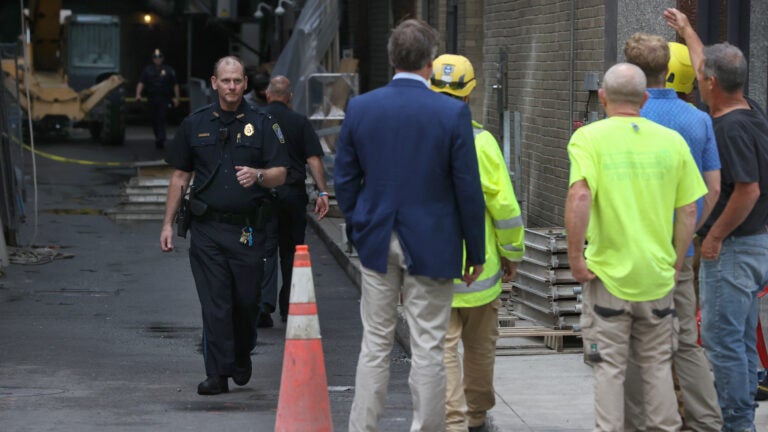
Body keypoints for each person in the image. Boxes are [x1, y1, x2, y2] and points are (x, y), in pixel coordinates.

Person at [334, 19, 486, 432]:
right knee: (429, 347)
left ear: (391, 58)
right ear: (430, 63)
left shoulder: (361, 108)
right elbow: (467, 188)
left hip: (377, 237)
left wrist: (358, 223)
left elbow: (344, 178)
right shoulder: (451, 112)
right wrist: (476, 250)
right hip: (434, 241)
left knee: (376, 343)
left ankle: (362, 428)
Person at [565, 62, 706, 431]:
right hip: (657, 278)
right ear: (644, 99)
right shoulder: (671, 142)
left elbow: (580, 196)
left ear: (602, 97)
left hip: (608, 277)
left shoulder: (588, 138)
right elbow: (688, 208)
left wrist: (576, 259)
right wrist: (676, 263)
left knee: (609, 368)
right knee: (658, 366)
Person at [159, 55, 288, 396]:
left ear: (246, 84)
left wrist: (259, 175)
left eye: (237, 81)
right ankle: (217, 374)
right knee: (215, 303)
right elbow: (179, 176)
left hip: (247, 231)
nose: (231, 87)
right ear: (214, 83)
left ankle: (241, 353)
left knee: (246, 303)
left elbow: (281, 172)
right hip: (207, 230)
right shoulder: (195, 123)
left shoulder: (263, 123)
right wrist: (167, 224)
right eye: (225, 81)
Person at [666, 8, 768, 431]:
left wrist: (713, 238)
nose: (700, 78)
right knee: (741, 339)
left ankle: (736, 423)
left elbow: (748, 190)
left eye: (703, 74)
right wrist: (689, 31)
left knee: (724, 345)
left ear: (710, 83)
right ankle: (741, 415)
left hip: (731, 250)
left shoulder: (729, 130)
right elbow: (706, 63)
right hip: (753, 245)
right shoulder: (750, 108)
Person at [622, 32, 723, 431]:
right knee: (685, 342)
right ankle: (706, 421)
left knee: (632, 345)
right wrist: (690, 231)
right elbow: (713, 189)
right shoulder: (698, 120)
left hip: (630, 252)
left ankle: (639, 423)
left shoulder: (624, 120)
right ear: (669, 72)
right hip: (678, 253)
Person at [429, 54, 525, 432]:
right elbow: (504, 205)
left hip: (434, 266)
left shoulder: (418, 140)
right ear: (469, 94)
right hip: (479, 271)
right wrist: (511, 252)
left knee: (444, 349)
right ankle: (475, 416)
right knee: (481, 347)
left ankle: (452, 420)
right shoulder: (482, 142)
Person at [257, 75, 330, 327]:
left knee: (264, 248)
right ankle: (289, 307)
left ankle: (262, 307)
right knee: (291, 252)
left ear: (267, 94)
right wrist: (323, 193)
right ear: (290, 97)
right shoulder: (300, 122)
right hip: (293, 193)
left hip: (264, 192)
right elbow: (313, 160)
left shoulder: (257, 119)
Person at [135, 48, 181, 149]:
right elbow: (141, 82)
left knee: (161, 117)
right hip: (152, 98)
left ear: (163, 58)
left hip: (164, 98)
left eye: (159, 56)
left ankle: (161, 138)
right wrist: (138, 94)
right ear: (153, 59)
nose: (158, 59)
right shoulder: (147, 70)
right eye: (155, 57)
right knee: (154, 120)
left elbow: (175, 84)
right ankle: (158, 136)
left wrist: (177, 97)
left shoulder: (169, 70)